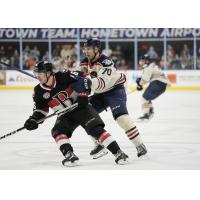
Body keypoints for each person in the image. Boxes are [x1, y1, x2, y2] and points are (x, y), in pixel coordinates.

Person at [23, 61, 129, 167]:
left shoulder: (63, 75)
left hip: (81, 108)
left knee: (95, 129)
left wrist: (83, 94)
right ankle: (70, 155)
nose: (37, 76)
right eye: (36, 73)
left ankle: (119, 153)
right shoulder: (38, 91)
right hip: (65, 115)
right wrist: (33, 119)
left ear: (48, 73)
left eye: (39, 73)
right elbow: (41, 110)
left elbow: (85, 79)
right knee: (57, 131)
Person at [74, 38, 147, 159]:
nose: (86, 51)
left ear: (96, 49)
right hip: (100, 94)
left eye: (89, 49)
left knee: (121, 118)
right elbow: (79, 77)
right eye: (85, 49)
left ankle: (140, 145)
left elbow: (102, 83)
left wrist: (86, 83)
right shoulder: (83, 62)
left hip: (114, 91)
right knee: (84, 115)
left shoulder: (106, 62)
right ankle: (99, 144)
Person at [136, 54, 171, 121]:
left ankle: (146, 115)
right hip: (162, 85)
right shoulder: (153, 66)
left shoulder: (148, 67)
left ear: (146, 61)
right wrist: (140, 84)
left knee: (144, 98)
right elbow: (147, 78)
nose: (141, 62)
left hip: (157, 83)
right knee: (147, 98)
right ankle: (150, 112)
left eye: (142, 60)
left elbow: (145, 79)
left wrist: (139, 83)